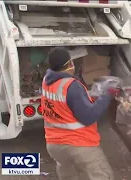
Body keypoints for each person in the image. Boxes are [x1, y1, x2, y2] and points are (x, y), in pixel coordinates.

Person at [41, 47, 117, 180]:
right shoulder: (72, 85)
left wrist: (89, 98)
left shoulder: (47, 80)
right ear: (69, 64)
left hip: (54, 144)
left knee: (67, 174)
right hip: (78, 143)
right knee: (103, 175)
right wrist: (107, 96)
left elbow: (65, 103)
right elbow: (88, 117)